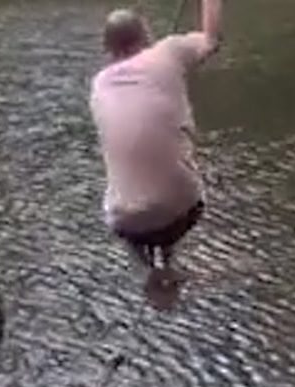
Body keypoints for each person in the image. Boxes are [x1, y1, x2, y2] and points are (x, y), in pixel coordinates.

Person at [89, 0, 222, 308]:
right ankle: (168, 261)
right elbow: (211, 39)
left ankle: (147, 270)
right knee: (174, 182)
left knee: (123, 202)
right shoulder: (168, 52)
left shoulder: (98, 85)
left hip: (127, 226)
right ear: (146, 33)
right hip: (182, 213)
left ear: (107, 48)